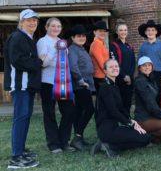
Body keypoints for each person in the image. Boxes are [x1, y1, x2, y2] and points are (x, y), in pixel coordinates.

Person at [4, 9, 41, 168]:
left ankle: (21, 149)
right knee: (20, 117)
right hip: (20, 86)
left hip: (28, 86)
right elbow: (18, 61)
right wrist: (38, 62)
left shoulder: (28, 38)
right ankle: (16, 157)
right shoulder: (17, 37)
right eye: (28, 20)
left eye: (35, 20)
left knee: (25, 117)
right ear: (21, 22)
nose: (32, 22)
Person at [91, 59, 151, 157]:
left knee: (146, 138)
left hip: (116, 126)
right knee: (144, 139)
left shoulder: (114, 85)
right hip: (107, 129)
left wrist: (131, 120)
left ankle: (108, 144)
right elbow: (113, 111)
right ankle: (109, 145)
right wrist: (130, 124)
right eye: (111, 67)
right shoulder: (105, 87)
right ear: (105, 71)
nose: (114, 68)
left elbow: (121, 108)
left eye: (116, 66)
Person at [37, 17, 75, 153]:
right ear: (47, 27)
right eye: (53, 26)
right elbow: (43, 63)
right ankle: (54, 144)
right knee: (49, 113)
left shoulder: (62, 42)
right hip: (48, 82)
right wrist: (55, 50)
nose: (56, 28)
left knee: (69, 111)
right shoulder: (42, 41)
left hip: (63, 82)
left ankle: (64, 141)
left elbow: (66, 63)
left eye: (58, 26)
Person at [134, 56, 161, 143]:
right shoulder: (140, 81)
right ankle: (147, 137)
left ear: (152, 67)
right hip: (144, 118)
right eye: (144, 65)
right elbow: (150, 103)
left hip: (152, 115)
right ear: (139, 68)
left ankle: (154, 136)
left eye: (149, 65)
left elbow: (158, 98)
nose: (147, 67)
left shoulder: (151, 79)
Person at [68, 25, 95, 150]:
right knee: (89, 109)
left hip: (87, 84)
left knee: (79, 111)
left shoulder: (82, 49)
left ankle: (79, 139)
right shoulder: (72, 50)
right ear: (73, 38)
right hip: (81, 85)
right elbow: (73, 66)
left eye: (83, 36)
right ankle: (77, 136)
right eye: (79, 36)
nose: (82, 38)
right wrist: (80, 80)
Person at [138, 20, 161, 103]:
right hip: (146, 74)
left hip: (159, 74)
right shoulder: (143, 46)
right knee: (148, 95)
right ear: (145, 32)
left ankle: (159, 114)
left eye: (152, 30)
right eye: (148, 30)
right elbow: (140, 63)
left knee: (158, 95)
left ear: (156, 32)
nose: (150, 32)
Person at [110, 19, 135, 113]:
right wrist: (124, 76)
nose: (123, 32)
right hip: (120, 78)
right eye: (121, 30)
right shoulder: (114, 45)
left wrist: (130, 75)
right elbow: (114, 63)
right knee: (120, 103)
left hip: (130, 78)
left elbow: (133, 62)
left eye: (125, 30)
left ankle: (127, 122)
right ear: (117, 32)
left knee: (128, 102)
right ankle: (121, 122)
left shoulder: (130, 46)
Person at [89, 20, 110, 91]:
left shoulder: (101, 43)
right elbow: (102, 64)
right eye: (100, 31)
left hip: (104, 76)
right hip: (100, 77)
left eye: (104, 31)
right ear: (94, 32)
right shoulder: (96, 44)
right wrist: (110, 74)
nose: (103, 33)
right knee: (103, 100)